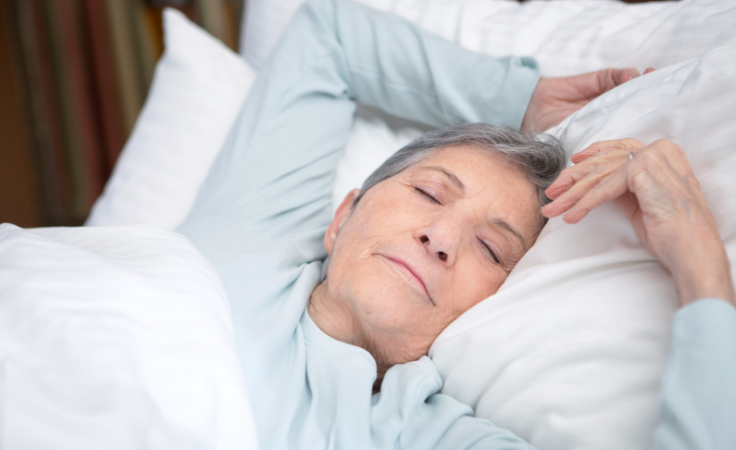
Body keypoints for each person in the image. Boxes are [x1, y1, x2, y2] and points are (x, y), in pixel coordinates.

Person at [176, 0, 736, 448]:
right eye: (428, 192)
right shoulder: (251, 240)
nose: (441, 238)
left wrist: (701, 265)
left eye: (491, 250)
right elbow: (328, 36)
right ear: (343, 216)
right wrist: (518, 98)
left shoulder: (424, 432)